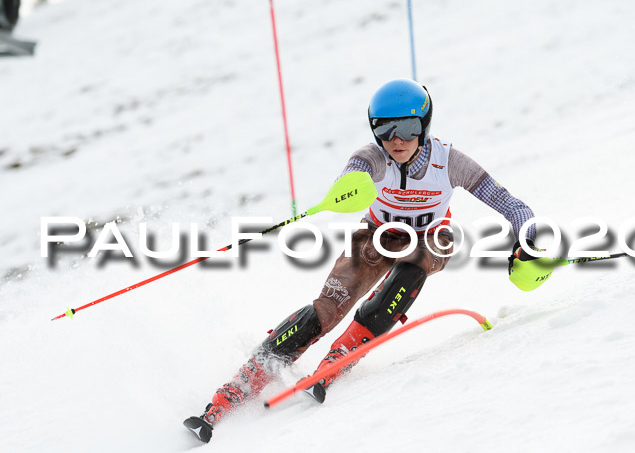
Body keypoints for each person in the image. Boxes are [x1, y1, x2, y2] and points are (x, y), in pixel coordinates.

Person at [185, 79, 544, 442]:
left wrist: (528, 235)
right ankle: (239, 385)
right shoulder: (372, 157)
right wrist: (346, 188)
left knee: (413, 266)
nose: (396, 140)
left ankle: (341, 354)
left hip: (430, 238)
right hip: (375, 235)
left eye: (407, 128)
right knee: (326, 309)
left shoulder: (450, 162)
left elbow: (510, 204)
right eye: (384, 129)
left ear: (425, 126)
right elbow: (352, 176)